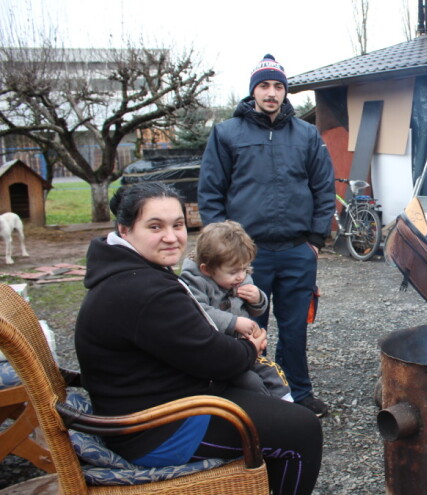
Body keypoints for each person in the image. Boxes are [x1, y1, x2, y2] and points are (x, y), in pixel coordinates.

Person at [75, 182, 323, 494]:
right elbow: (219, 360)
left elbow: (196, 343)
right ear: (125, 230)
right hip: (155, 429)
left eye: (177, 225)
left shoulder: (130, 271)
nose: (170, 236)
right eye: (155, 226)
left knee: (275, 413)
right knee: (303, 429)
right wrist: (250, 347)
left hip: (156, 404)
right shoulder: (142, 290)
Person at [199, 53, 335, 417]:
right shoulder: (227, 133)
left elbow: (324, 189)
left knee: (294, 329)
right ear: (253, 91)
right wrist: (223, 252)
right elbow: (211, 192)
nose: (271, 93)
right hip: (247, 257)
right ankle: (252, 396)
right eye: (264, 86)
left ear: (285, 92)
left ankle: (299, 394)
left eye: (278, 86)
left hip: (296, 251)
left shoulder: (306, 135)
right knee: (246, 327)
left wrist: (315, 240)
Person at [180, 220, 293, 402]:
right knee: (252, 382)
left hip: (244, 349)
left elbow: (256, 311)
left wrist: (257, 299)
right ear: (207, 269)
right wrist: (234, 323)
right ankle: (267, 414)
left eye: (245, 268)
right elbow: (199, 312)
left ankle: (289, 407)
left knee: (274, 373)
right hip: (217, 354)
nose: (241, 276)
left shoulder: (239, 276)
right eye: (234, 272)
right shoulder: (194, 281)